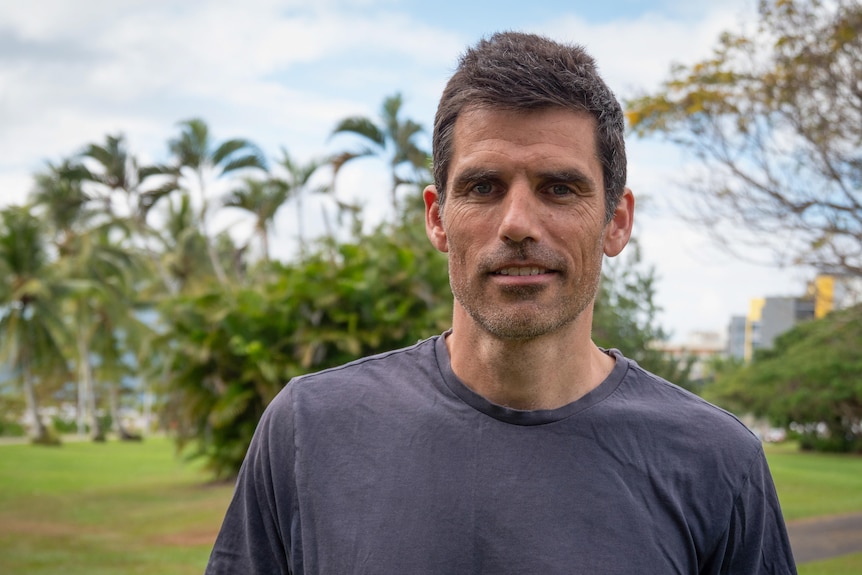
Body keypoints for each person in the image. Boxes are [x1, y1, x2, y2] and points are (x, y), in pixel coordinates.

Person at [205, 31, 797, 574]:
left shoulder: (719, 464)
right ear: (438, 219)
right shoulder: (309, 430)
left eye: (558, 189)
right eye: (484, 187)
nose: (517, 224)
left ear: (616, 222)